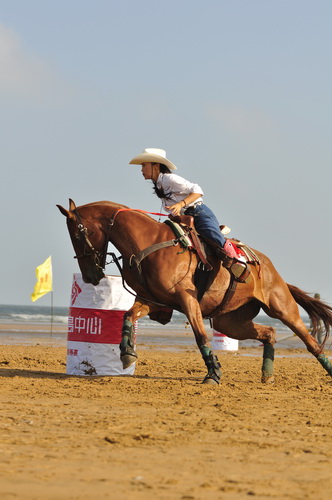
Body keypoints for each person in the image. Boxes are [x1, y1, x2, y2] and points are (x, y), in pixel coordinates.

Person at [129, 148, 239, 262]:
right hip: (185, 219)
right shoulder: (159, 184)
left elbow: (197, 190)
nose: (141, 170)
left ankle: (237, 261)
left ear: (155, 166)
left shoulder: (169, 179)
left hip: (199, 213)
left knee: (212, 236)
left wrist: (180, 205)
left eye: (144, 165)